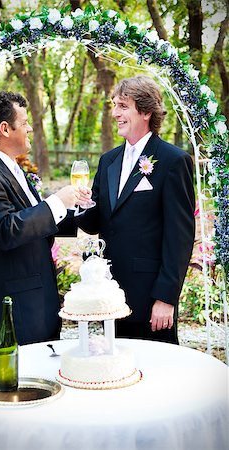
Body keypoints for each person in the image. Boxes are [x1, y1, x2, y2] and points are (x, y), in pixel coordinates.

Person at [0, 91, 90, 354]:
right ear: (5, 129)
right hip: (15, 309)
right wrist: (56, 202)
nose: (30, 127)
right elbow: (6, 231)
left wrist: (80, 211)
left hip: (38, 302)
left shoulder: (12, 169)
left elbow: (36, 223)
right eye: (25, 121)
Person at [77, 76, 195, 344]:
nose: (115, 113)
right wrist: (74, 203)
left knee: (156, 374)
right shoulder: (108, 160)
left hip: (150, 296)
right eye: (114, 105)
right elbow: (95, 221)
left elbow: (180, 236)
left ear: (145, 111)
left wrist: (165, 297)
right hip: (111, 292)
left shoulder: (173, 161)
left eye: (123, 106)